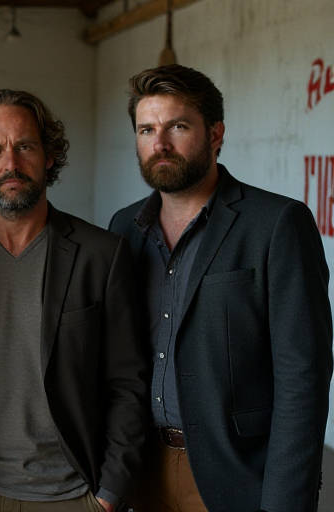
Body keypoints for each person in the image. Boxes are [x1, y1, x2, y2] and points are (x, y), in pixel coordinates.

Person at [109, 64, 333, 512]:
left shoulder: (276, 225)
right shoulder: (124, 229)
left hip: (236, 477)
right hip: (141, 472)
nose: (160, 144)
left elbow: (302, 378)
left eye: (178, 126)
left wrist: (285, 503)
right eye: (146, 129)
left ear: (216, 134)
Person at [0, 89, 147, 512]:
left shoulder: (101, 254)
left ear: (48, 155)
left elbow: (127, 385)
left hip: (74, 496)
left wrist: (110, 495)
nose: (10, 163)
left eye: (24, 146)